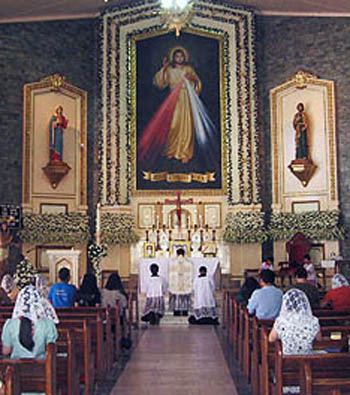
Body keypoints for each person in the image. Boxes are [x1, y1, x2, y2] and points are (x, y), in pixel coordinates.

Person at [138, 46, 218, 168]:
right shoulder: (169, 69)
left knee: (186, 126)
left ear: (184, 57)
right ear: (173, 58)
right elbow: (160, 83)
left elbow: (197, 83)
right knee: (173, 125)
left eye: (181, 56)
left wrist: (192, 79)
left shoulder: (188, 69)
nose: (179, 58)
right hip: (172, 100)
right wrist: (164, 69)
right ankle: (171, 150)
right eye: (177, 56)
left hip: (186, 99)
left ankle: (185, 152)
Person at [1, 285, 58, 360]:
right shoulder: (48, 324)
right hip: (42, 368)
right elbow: (51, 349)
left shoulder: (10, 324)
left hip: (16, 369)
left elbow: (6, 351)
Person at [269, 288, 321, 353]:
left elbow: (271, 339)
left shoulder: (281, 321)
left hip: (286, 360)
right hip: (307, 359)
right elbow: (319, 339)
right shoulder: (313, 320)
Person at [168, 248, 192, 316]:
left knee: (177, 295)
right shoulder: (189, 263)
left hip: (176, 283)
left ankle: (176, 311)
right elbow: (190, 274)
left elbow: (170, 274)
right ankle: (185, 311)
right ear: (184, 254)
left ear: (177, 254)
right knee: (184, 296)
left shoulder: (172, 262)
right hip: (185, 283)